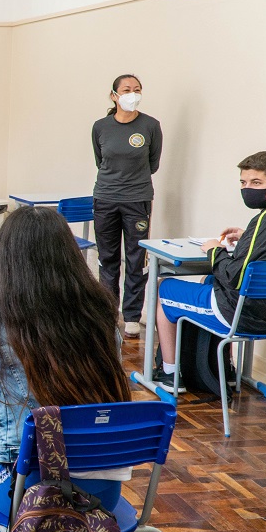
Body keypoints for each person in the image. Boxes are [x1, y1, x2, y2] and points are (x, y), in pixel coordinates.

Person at [0, 207, 132, 532]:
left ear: (6, 257)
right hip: (104, 493)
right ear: (70, 255)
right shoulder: (101, 310)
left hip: (31, 490)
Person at [154, 151, 266, 393]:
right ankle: (226, 369)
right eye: (243, 183)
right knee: (208, 279)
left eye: (256, 183)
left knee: (165, 289)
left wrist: (214, 250)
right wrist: (247, 238)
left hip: (243, 315)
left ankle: (170, 375)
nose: (247, 189)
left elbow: (236, 277)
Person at [92, 74, 163, 338]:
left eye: (137, 89)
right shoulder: (100, 126)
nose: (132, 94)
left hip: (138, 200)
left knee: (136, 259)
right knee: (107, 259)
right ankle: (108, 313)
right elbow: (101, 161)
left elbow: (153, 163)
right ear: (114, 95)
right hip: (105, 199)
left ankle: (132, 316)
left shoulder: (151, 125)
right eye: (126, 90)